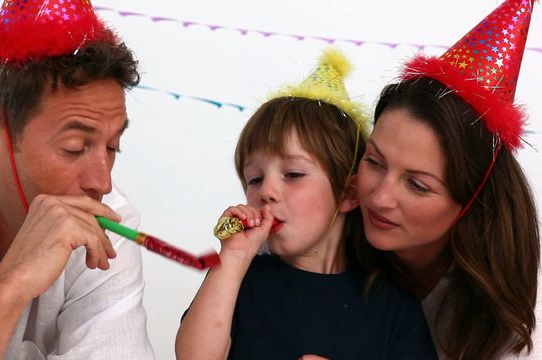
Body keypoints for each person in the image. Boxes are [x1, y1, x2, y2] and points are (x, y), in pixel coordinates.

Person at [0, 0, 154, 358]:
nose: (102, 183)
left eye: (112, 147)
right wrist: (10, 286)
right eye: (75, 148)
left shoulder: (110, 222)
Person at [175, 48, 438, 359]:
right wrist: (232, 259)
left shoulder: (393, 307)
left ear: (348, 193)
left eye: (293, 174)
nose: (267, 191)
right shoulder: (240, 278)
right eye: (255, 178)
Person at [351, 0, 542, 358]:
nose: (380, 197)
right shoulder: (325, 224)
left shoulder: (502, 284)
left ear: (473, 198)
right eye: (374, 161)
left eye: (417, 185)